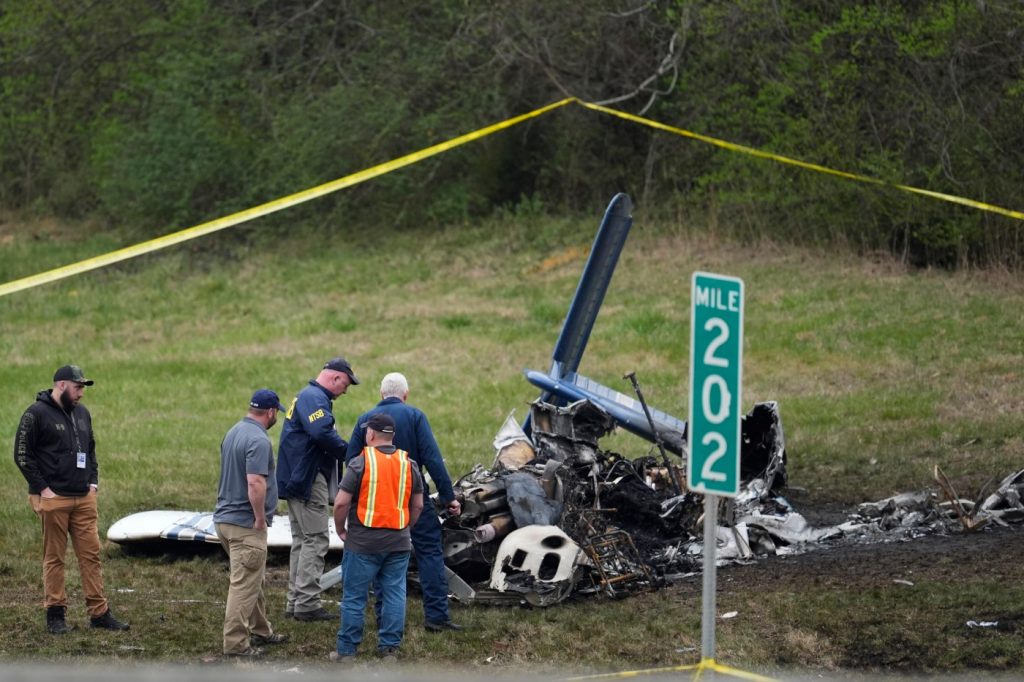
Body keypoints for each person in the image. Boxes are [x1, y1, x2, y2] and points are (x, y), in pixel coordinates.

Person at [13, 364, 130, 634]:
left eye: (83, 388)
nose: (81, 393)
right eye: (78, 387)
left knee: (91, 556)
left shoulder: (82, 414)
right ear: (62, 385)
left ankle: (99, 613)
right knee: (54, 559)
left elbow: (90, 449)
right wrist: (43, 489)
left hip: (83, 498)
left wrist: (93, 482)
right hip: (53, 499)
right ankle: (55, 615)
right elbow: (22, 455)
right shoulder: (35, 414)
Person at [346, 371, 463, 632]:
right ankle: (436, 616)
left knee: (378, 555)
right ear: (405, 395)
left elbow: (351, 461)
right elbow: (432, 459)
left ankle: (382, 617)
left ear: (381, 394)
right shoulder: (414, 416)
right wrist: (448, 498)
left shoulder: (366, 420)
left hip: (375, 502)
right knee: (429, 552)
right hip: (411, 498)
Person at [333, 412, 423, 663]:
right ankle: (389, 649)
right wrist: (406, 527)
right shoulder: (409, 464)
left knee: (354, 596)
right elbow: (417, 505)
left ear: (370, 434)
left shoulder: (360, 463)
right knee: (395, 593)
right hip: (398, 542)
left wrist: (341, 529)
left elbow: (341, 503)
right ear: (391, 436)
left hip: (363, 543)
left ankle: (347, 652)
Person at [277, 356, 359, 621]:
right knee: (316, 539)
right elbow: (322, 432)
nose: (345, 391)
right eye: (345, 384)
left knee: (302, 539)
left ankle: (296, 602)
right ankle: (308, 604)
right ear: (335, 378)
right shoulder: (314, 397)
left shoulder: (306, 396)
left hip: (296, 477)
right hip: (308, 479)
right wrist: (350, 453)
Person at [213, 389, 290, 658]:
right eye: (276, 413)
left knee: (250, 579)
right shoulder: (259, 440)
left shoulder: (233, 432)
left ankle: (261, 630)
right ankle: (236, 645)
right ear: (270, 412)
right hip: (246, 525)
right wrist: (259, 518)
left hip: (224, 520)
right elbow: (255, 482)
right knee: (244, 586)